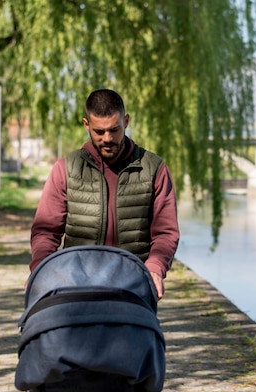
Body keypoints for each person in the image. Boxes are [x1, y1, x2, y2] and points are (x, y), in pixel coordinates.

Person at [28, 89, 179, 299]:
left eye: (114, 129)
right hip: (76, 283)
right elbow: (46, 231)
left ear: (126, 121)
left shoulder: (154, 169)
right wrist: (41, 267)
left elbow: (165, 232)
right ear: (86, 125)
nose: (107, 138)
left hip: (133, 284)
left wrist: (155, 267)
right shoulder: (66, 169)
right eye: (99, 131)